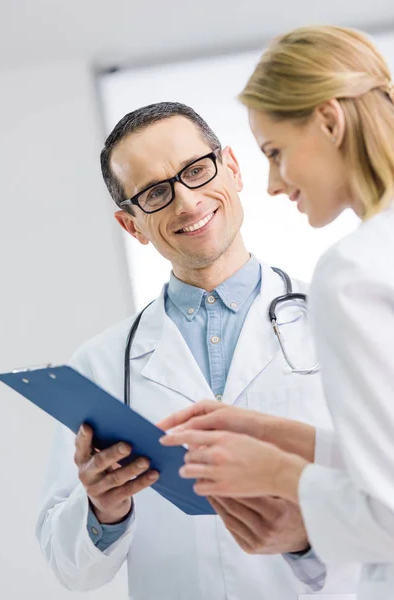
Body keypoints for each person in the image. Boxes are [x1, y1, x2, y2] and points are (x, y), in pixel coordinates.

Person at [36, 102, 358, 599]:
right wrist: (103, 509)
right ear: (131, 226)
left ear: (231, 167)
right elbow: (72, 570)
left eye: (196, 170)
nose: (186, 203)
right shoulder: (100, 366)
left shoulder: (345, 320)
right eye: (155, 193)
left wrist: (310, 531)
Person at [159, 27, 394, 600]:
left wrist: (277, 474)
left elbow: (386, 514)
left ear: (330, 121)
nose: (271, 183)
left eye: (275, 152)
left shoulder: (355, 273)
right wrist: (291, 439)